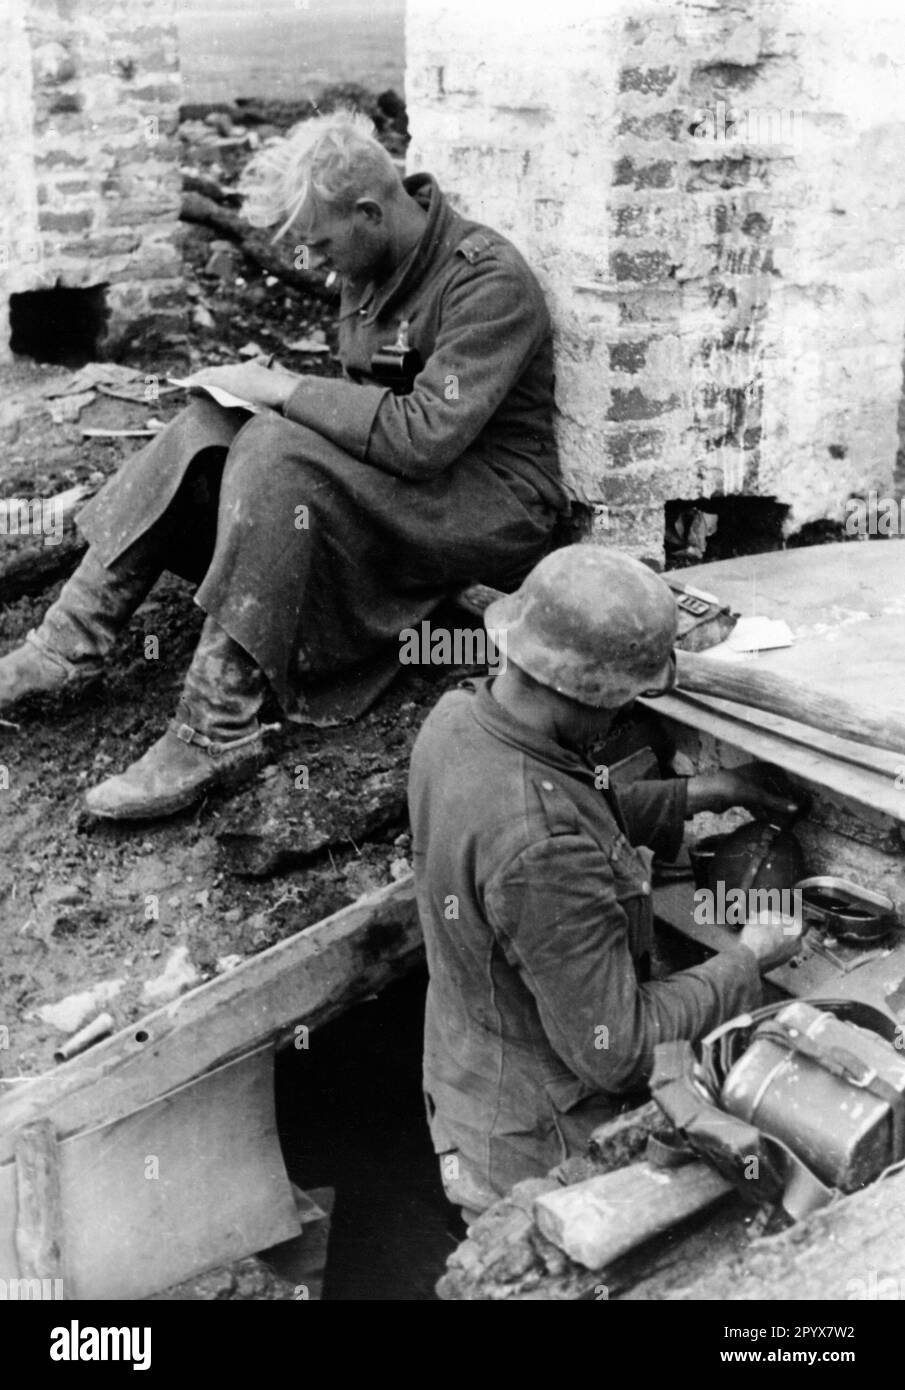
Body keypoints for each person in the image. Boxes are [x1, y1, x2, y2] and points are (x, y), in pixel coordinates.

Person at [0, 109, 568, 819]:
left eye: (323, 247)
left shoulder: (485, 282)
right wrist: (262, 398)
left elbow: (424, 436)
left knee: (273, 446)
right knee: (211, 422)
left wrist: (284, 393)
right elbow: (367, 400)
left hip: (489, 505)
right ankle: (65, 643)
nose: (320, 265)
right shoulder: (374, 258)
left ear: (369, 211)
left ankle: (217, 727)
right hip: (404, 487)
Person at [408, 544, 803, 1221]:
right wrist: (750, 958)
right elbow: (616, 1052)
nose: (624, 712)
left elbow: (570, 804)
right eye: (624, 697)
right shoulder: (539, 849)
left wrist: (701, 791)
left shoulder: (458, 721)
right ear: (588, 692)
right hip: (540, 1152)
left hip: (472, 1080)